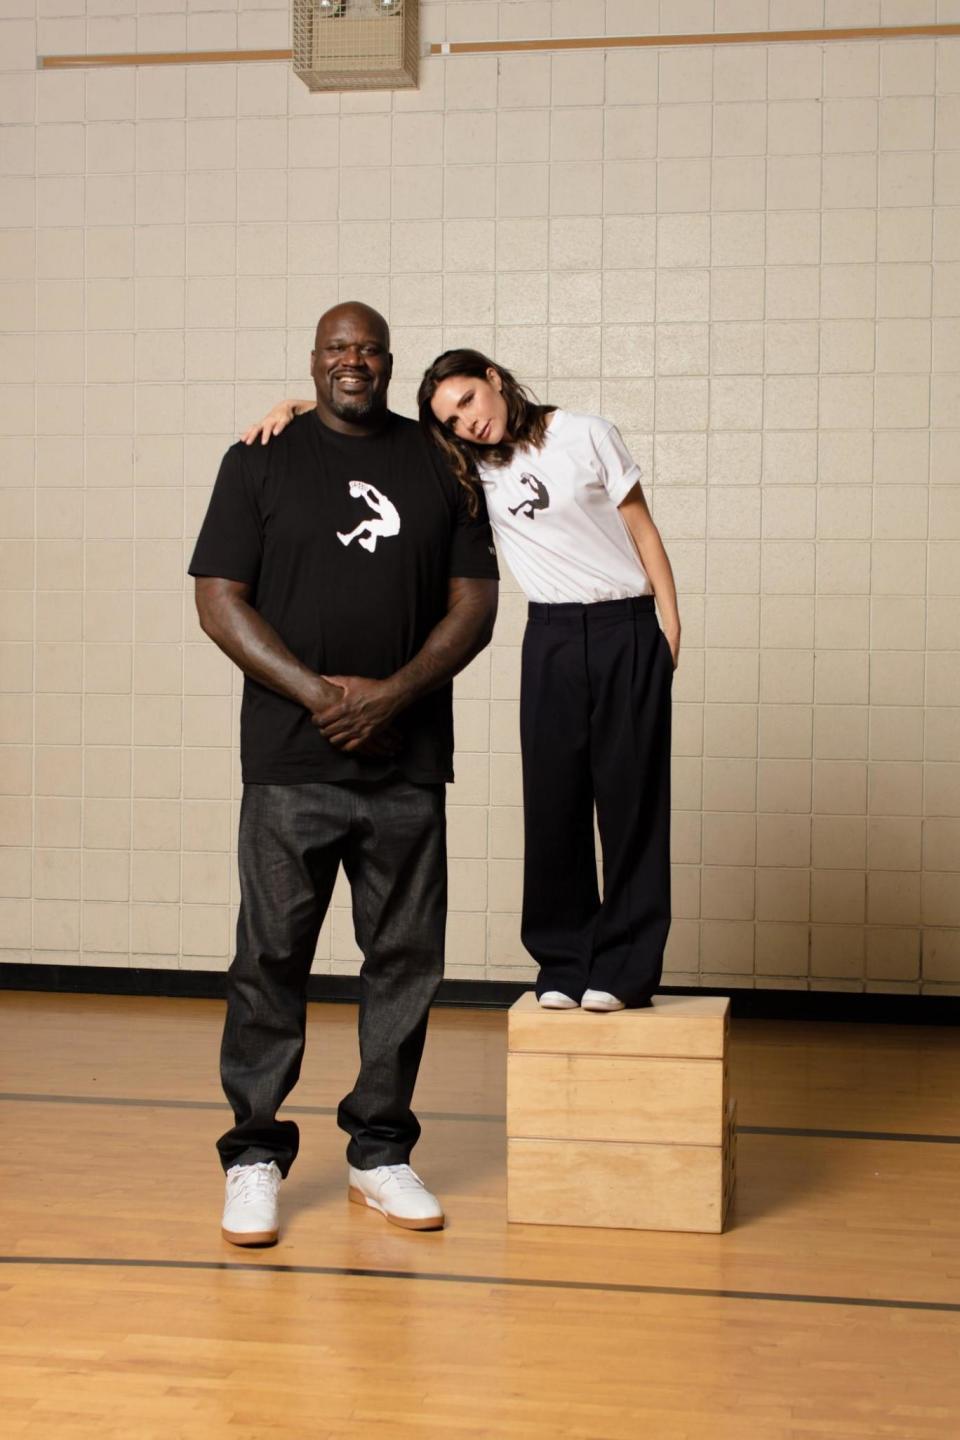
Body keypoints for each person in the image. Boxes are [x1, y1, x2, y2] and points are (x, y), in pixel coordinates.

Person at [190, 306, 499, 1246]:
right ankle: (252, 1156)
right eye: (336, 348)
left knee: (404, 963)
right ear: (314, 362)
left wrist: (389, 698)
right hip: (289, 766)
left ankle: (379, 1152)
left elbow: (476, 605)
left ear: (388, 362)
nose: (351, 360)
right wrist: (322, 697)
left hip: (407, 766)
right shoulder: (259, 460)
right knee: (270, 960)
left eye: (367, 348)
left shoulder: (439, 461)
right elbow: (216, 599)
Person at [246, 349, 678, 1016]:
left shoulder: (586, 433)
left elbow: (644, 535)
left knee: (631, 803)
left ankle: (626, 968)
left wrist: (668, 633)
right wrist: (298, 407)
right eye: (452, 418)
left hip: (626, 626)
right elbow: (381, 428)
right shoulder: (466, 462)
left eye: (470, 401)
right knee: (554, 802)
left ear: (496, 382)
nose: (468, 422)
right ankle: (564, 961)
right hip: (553, 638)